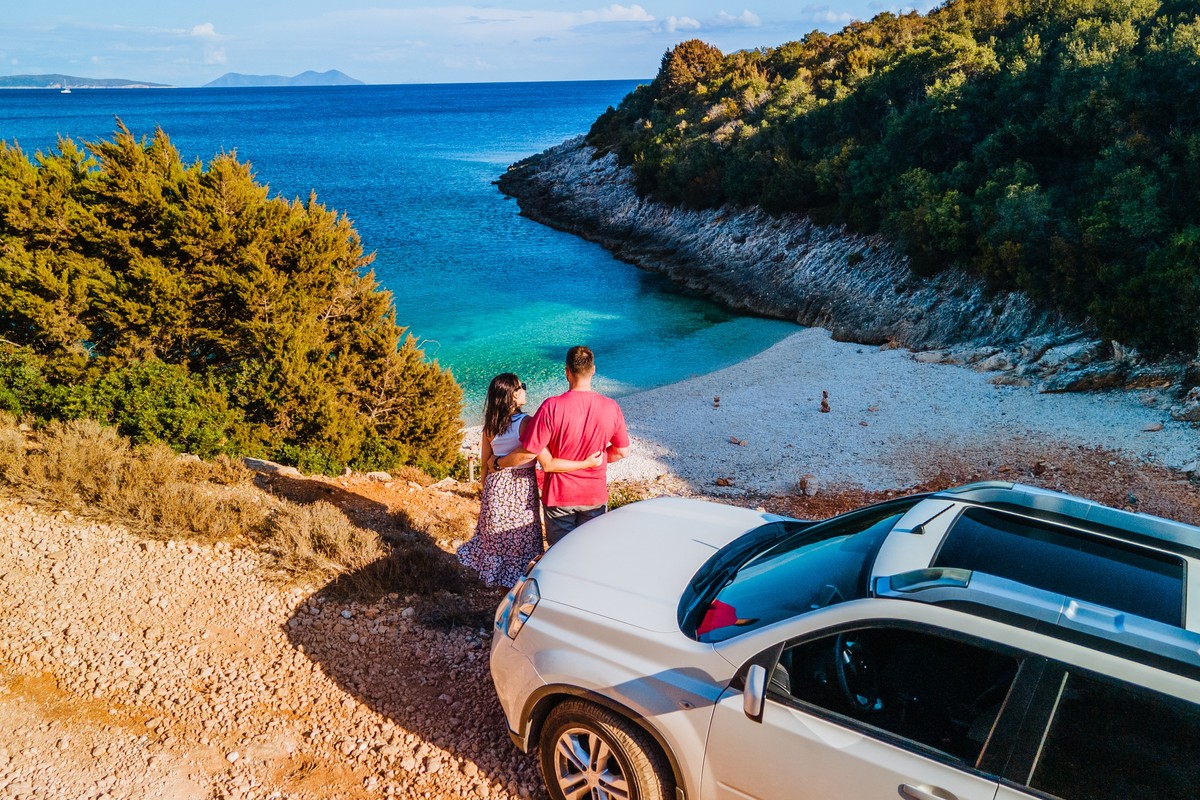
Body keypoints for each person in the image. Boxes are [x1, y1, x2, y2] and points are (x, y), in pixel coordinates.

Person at [458, 373, 601, 587]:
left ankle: (500, 587)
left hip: (495, 487)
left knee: (499, 541)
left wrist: (485, 493)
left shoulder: (490, 426)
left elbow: (485, 464)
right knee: (521, 537)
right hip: (520, 485)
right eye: (521, 386)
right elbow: (538, 454)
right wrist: (584, 462)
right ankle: (519, 591)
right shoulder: (526, 422)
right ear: (513, 395)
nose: (525, 389)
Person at [500, 346, 630, 545]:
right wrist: (599, 459)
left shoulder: (551, 406)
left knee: (560, 553)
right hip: (594, 494)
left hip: (559, 496)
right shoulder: (611, 407)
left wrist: (497, 462)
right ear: (593, 369)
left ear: (567, 371)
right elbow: (621, 451)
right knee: (592, 551)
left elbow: (529, 452)